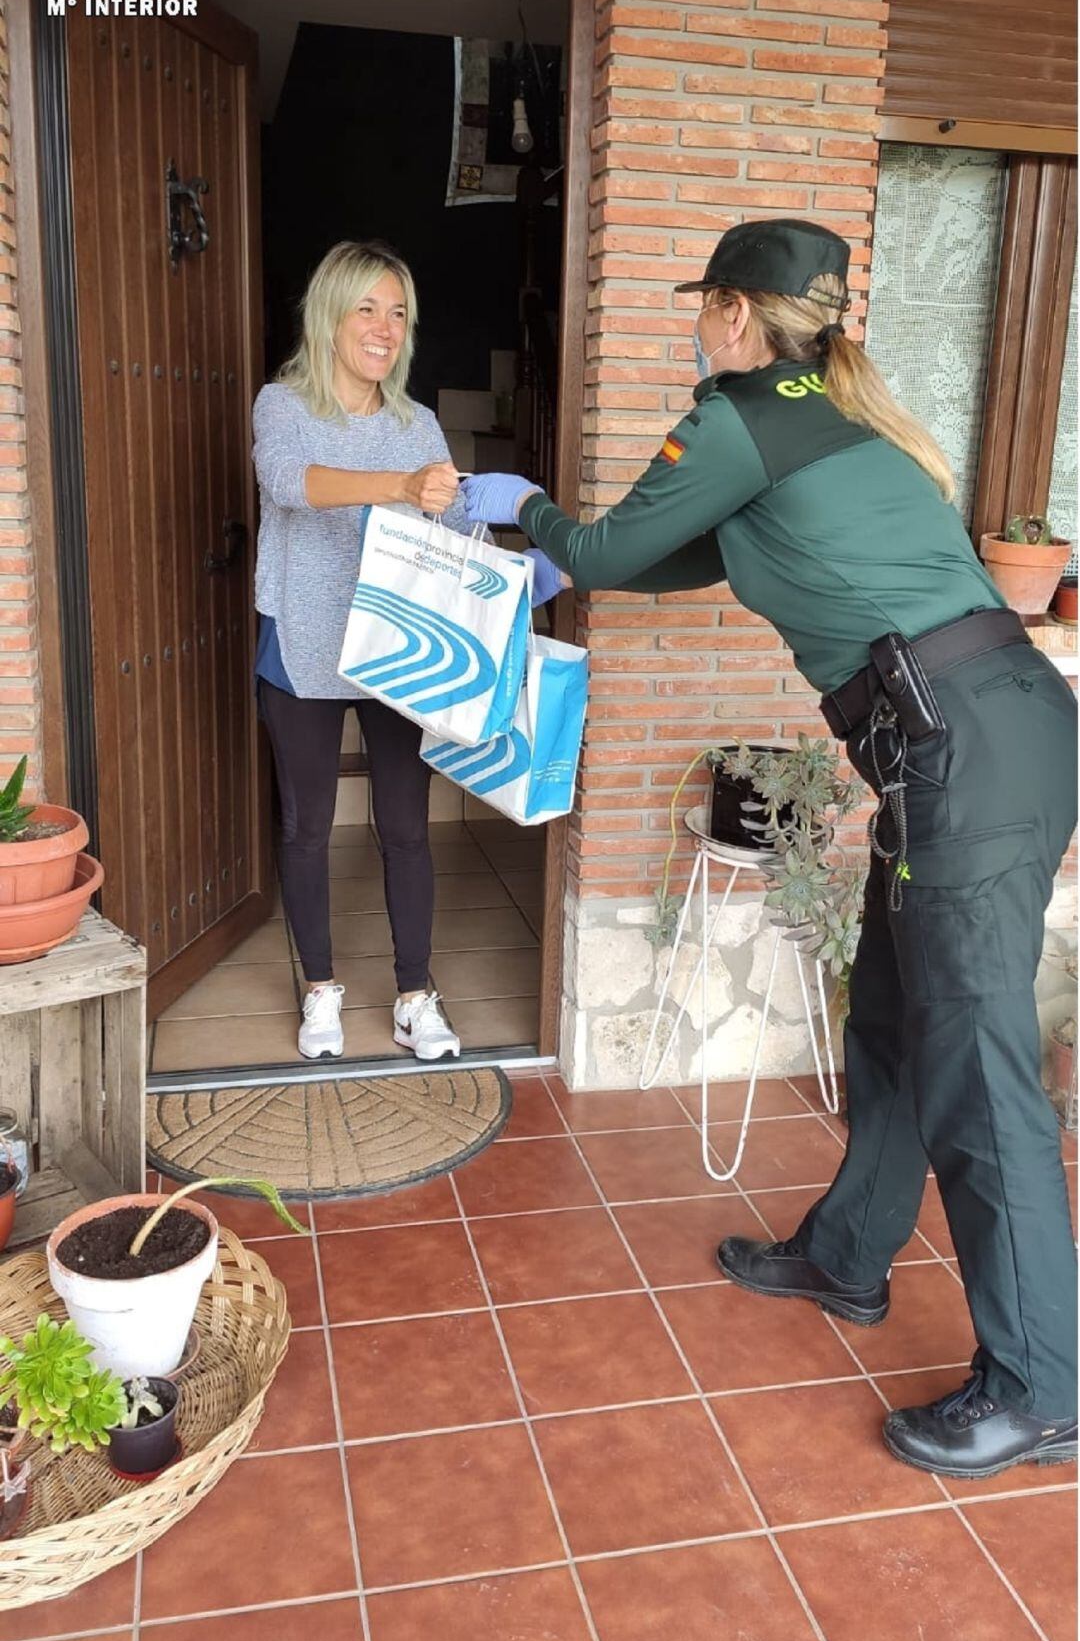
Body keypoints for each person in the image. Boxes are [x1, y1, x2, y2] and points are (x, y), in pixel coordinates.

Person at [463, 217, 1078, 1482]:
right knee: (899, 1026)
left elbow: (609, 549)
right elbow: (666, 557)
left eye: (705, 306)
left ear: (738, 315)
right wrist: (568, 556)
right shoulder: (833, 424)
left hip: (961, 752)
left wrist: (525, 511)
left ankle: (1042, 1381)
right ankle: (851, 1256)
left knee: (975, 1063)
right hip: (983, 738)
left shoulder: (743, 415)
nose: (698, 325)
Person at [253, 239, 562, 1063]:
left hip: (403, 650)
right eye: (367, 307)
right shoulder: (282, 407)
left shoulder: (416, 422)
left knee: (405, 827)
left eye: (397, 312)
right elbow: (291, 482)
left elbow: (450, 527)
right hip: (307, 648)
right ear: (330, 315)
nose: (384, 327)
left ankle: (414, 995)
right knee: (308, 826)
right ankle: (320, 987)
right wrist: (396, 487)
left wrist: (521, 552)